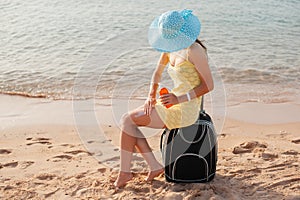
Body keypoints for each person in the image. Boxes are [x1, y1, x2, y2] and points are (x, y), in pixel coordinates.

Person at [114, 9, 214, 188]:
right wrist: (150, 96)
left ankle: (128, 172)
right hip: (171, 101)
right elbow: (157, 72)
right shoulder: (171, 47)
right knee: (128, 121)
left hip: (186, 107)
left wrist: (179, 99)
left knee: (128, 121)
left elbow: (208, 86)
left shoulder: (194, 50)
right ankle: (150, 167)